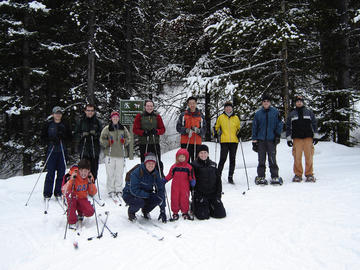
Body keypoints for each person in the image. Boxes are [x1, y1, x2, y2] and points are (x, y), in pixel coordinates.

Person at [122, 152, 167, 222]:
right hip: (130, 194)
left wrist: (162, 210)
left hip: (145, 194)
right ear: (145, 163)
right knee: (140, 202)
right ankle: (131, 212)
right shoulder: (137, 172)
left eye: (153, 163)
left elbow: (161, 189)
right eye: (149, 163)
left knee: (158, 198)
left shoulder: (155, 173)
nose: (151, 165)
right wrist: (148, 195)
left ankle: (145, 210)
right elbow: (134, 190)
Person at [286, 95, 320, 182]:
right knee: (297, 157)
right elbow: (288, 126)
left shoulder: (309, 112)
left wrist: (315, 136)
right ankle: (298, 174)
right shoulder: (292, 114)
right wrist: (289, 139)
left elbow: (314, 124)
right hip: (297, 138)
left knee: (309, 157)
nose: (299, 102)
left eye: (300, 101)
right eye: (297, 101)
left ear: (303, 102)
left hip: (308, 138)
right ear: (295, 103)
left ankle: (309, 174)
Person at [41, 106, 72, 199]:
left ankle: (58, 191)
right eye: (56, 113)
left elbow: (70, 138)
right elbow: (42, 138)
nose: (58, 115)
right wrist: (51, 139)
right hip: (52, 151)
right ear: (53, 114)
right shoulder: (49, 124)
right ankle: (47, 193)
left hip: (62, 151)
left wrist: (63, 137)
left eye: (59, 113)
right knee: (50, 172)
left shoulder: (65, 124)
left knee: (61, 173)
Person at [252, 95, 284, 185]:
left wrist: (277, 135)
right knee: (261, 159)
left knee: (272, 159)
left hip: (271, 140)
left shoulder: (275, 112)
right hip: (261, 140)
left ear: (270, 102)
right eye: (264, 101)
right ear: (262, 103)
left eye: (267, 101)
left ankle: (275, 176)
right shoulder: (258, 114)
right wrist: (254, 141)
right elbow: (254, 127)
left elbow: (279, 124)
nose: (266, 102)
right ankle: (261, 176)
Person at [100, 111, 131, 198]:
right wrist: (107, 142)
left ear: (118, 118)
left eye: (117, 117)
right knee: (110, 173)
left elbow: (128, 137)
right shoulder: (107, 128)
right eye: (113, 117)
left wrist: (124, 141)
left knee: (119, 173)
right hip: (110, 154)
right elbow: (102, 139)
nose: (115, 118)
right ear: (111, 118)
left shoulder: (123, 128)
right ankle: (111, 190)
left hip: (120, 154)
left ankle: (118, 189)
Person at [191, 144, 226, 220]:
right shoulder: (194, 165)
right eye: (201, 153)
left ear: (208, 153)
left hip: (212, 194)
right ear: (198, 154)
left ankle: (210, 205)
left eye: (205, 152)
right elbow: (191, 184)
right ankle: (196, 205)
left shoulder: (213, 165)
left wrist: (218, 196)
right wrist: (197, 196)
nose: (203, 155)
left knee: (221, 214)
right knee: (203, 216)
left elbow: (218, 182)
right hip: (201, 195)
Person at [133, 100, 166, 175]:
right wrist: (143, 132)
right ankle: (144, 178)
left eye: (151, 106)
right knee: (144, 161)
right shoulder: (140, 116)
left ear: (153, 107)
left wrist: (157, 131)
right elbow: (135, 129)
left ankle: (158, 177)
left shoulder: (157, 116)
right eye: (148, 106)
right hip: (144, 143)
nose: (149, 108)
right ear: (145, 107)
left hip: (154, 142)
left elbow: (163, 129)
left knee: (157, 161)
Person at [61, 159, 97, 225]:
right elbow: (65, 190)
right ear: (78, 170)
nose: (83, 173)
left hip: (82, 198)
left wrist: (90, 183)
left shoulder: (89, 177)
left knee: (90, 212)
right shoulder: (74, 176)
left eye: (85, 171)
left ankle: (80, 212)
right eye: (81, 171)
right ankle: (72, 222)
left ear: (88, 171)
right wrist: (71, 180)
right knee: (72, 203)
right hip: (72, 197)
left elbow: (93, 192)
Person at [163, 148, 196, 220]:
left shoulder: (189, 167)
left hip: (185, 187)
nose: (181, 158)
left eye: (183, 157)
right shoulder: (174, 167)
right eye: (179, 157)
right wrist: (165, 180)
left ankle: (185, 212)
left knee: (184, 199)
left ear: (186, 157)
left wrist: (192, 181)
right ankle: (175, 212)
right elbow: (170, 175)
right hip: (175, 187)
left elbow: (192, 176)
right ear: (177, 157)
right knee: (175, 199)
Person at [214, 101, 241, 184]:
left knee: (232, 159)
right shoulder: (221, 117)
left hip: (234, 141)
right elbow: (216, 127)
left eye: (230, 107)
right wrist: (215, 132)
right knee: (222, 159)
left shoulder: (236, 118)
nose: (228, 108)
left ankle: (230, 177)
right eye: (226, 107)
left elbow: (238, 127)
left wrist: (239, 132)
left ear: (232, 108)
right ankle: (218, 176)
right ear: (224, 108)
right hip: (224, 141)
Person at [74, 104, 102, 180]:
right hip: (84, 148)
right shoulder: (81, 121)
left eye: (92, 111)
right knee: (84, 169)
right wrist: (82, 135)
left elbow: (102, 134)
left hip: (94, 148)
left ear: (94, 111)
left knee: (94, 169)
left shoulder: (97, 121)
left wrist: (96, 134)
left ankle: (92, 186)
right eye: (88, 110)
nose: (90, 112)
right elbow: (76, 133)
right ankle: (83, 187)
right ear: (85, 111)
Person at [176, 96, 206, 163]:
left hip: (197, 142)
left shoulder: (201, 115)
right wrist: (186, 130)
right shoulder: (183, 115)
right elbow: (178, 127)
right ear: (188, 104)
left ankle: (195, 173)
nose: (192, 105)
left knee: (196, 162)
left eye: (193, 103)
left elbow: (204, 129)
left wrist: (198, 131)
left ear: (196, 104)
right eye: (190, 103)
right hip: (185, 142)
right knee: (185, 161)